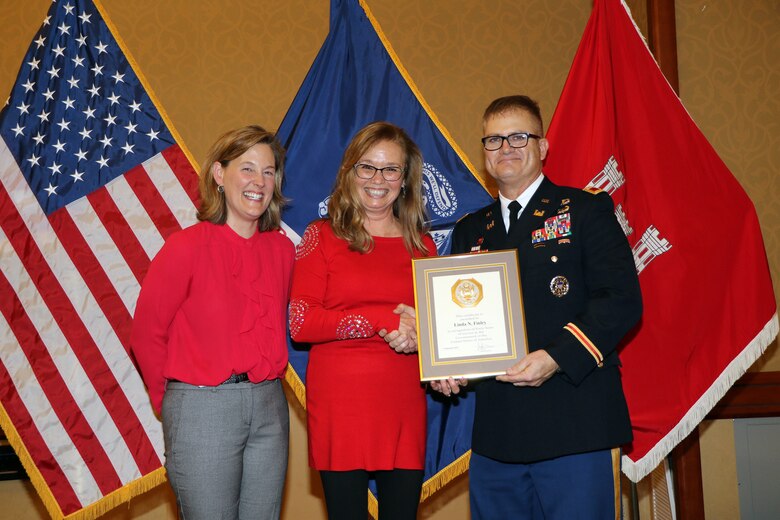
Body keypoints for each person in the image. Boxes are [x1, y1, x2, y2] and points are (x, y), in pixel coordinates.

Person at [431, 95, 642, 519]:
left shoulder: (585, 210)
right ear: (484, 152)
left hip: (573, 422)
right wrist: (449, 366)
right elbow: (462, 321)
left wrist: (555, 357)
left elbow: (621, 300)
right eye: (494, 140)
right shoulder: (472, 229)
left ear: (542, 147)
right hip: (497, 434)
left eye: (518, 136)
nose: (505, 148)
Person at [131, 125, 294, 520]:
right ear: (219, 175)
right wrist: (172, 403)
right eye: (248, 168)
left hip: (270, 405)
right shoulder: (185, 247)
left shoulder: (283, 250)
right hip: (202, 408)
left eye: (269, 171)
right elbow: (146, 333)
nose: (259, 182)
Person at [288, 121, 435, 519]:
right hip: (342, 402)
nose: (378, 179)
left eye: (391, 169)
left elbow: (435, 328)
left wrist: (423, 340)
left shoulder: (423, 244)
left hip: (403, 399)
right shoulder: (320, 236)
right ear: (349, 172)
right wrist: (381, 318)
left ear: (405, 179)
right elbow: (301, 323)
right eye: (366, 167)